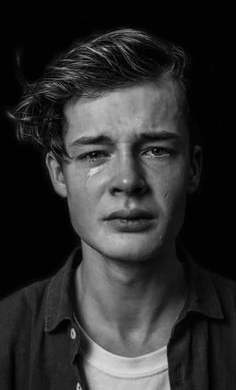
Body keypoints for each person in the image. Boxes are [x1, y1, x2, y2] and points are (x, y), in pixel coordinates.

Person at [0, 28, 235, 390]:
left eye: (156, 150)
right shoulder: (5, 337)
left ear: (193, 168)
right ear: (58, 174)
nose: (127, 181)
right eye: (95, 153)